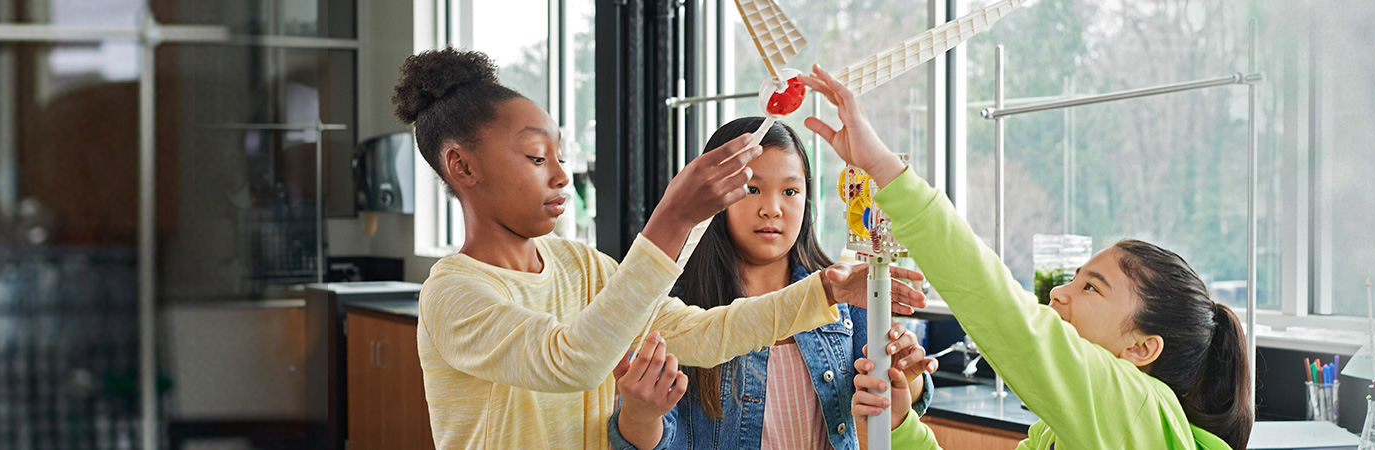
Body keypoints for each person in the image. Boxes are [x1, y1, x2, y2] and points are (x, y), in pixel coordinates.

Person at [393, 49, 926, 450]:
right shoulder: (455, 294)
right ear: (463, 166)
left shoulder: (580, 266)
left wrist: (827, 287)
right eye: (536, 157)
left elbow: (700, 331)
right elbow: (570, 361)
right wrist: (674, 217)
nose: (561, 175)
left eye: (561, 153)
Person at [797, 64, 1253, 450]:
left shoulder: (1135, 404)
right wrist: (901, 427)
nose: (1058, 291)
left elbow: (1005, 313)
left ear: (1140, 348)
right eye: (1074, 278)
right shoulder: (1056, 433)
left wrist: (883, 167)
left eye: (1091, 286)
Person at [607, 117, 939, 450]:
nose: (772, 209)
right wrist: (639, 414)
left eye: (790, 191)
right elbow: (648, 438)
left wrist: (903, 377)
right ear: (715, 196)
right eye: (752, 189)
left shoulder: (845, 292)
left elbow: (894, 407)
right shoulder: (677, 312)